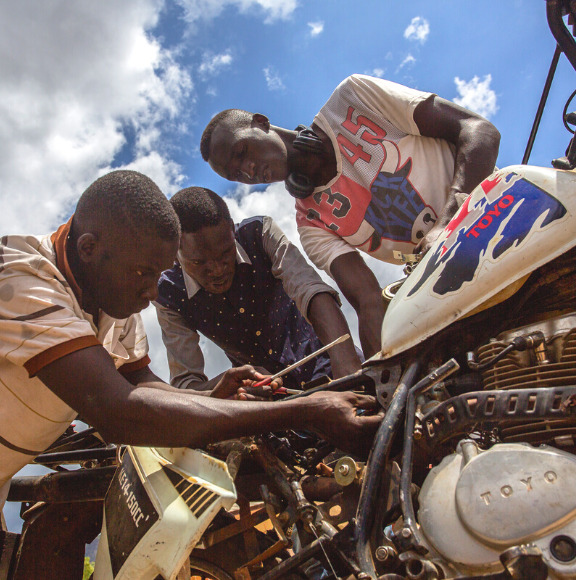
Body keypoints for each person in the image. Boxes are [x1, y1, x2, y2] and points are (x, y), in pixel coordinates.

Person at [0, 170, 381, 520]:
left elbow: (145, 386)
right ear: (89, 248)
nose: (152, 293)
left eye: (159, 275)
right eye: (144, 274)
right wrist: (304, 412)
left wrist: (216, 396)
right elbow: (119, 411)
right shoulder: (20, 278)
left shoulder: (116, 306)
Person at [200, 74, 501, 357]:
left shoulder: (353, 98)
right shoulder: (311, 224)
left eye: (242, 152)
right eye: (235, 174)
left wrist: (450, 222)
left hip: (506, 220)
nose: (247, 171)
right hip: (458, 287)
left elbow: (478, 130)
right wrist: (379, 380)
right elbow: (368, 302)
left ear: (261, 123)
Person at [154, 186, 362, 391]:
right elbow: (186, 384)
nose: (217, 270)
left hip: (330, 364)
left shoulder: (260, 233)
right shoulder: (167, 294)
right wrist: (232, 385)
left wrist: (346, 365)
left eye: (226, 252)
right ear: (175, 255)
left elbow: (310, 289)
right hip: (267, 402)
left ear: (232, 231)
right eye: (199, 263)